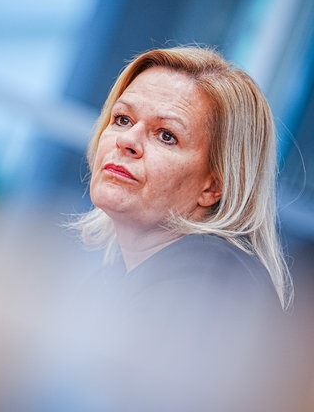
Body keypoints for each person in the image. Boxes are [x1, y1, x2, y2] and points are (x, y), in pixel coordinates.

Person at [64, 45, 295, 412]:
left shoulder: (212, 280)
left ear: (213, 187)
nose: (127, 141)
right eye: (122, 119)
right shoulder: (112, 280)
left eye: (166, 135)